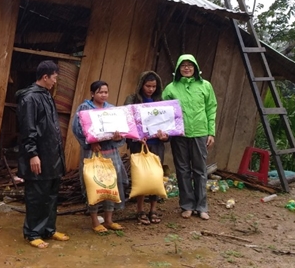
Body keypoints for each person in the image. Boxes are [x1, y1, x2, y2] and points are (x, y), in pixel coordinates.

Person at [16, 60, 69, 249]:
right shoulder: (30, 98)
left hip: (52, 156)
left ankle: (49, 229)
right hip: (38, 155)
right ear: (45, 77)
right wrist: (32, 154)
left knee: (51, 194)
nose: (55, 81)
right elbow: (27, 129)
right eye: (54, 78)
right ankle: (33, 233)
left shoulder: (46, 95)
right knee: (36, 195)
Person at [162, 54, 217, 220]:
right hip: (180, 135)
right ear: (178, 68)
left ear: (195, 67)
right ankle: (187, 205)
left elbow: (211, 108)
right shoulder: (171, 88)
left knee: (200, 170)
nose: (187, 68)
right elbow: (165, 112)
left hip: (200, 132)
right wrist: (167, 130)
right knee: (183, 169)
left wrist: (211, 132)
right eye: (183, 65)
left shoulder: (205, 86)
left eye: (190, 65)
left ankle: (201, 207)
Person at [72, 80, 128, 234]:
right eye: (100, 92)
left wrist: (118, 137)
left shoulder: (111, 109)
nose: (103, 95)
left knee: (111, 185)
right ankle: (95, 220)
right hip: (92, 153)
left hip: (110, 152)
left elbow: (121, 129)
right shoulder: (84, 108)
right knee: (94, 184)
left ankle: (109, 220)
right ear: (92, 93)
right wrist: (90, 143)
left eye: (106, 92)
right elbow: (76, 129)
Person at [124, 71, 169, 225]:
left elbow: (167, 125)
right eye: (148, 86)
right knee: (141, 177)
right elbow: (127, 122)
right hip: (139, 145)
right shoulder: (132, 100)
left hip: (157, 144)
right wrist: (137, 137)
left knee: (156, 176)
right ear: (141, 85)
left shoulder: (160, 103)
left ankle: (153, 209)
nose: (150, 89)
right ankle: (140, 210)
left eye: (154, 86)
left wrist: (165, 135)